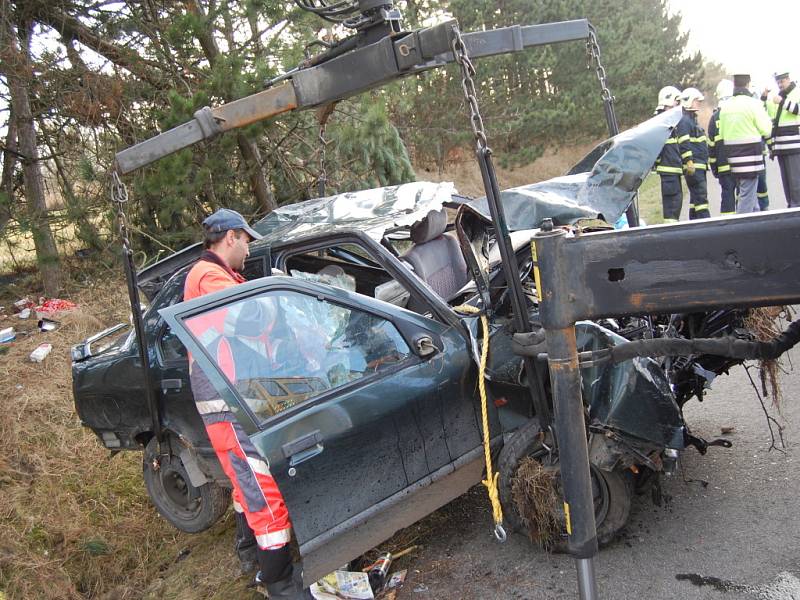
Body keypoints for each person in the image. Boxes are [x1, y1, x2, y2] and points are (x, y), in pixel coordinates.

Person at [183, 209, 309, 599]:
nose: (249, 249)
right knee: (261, 489)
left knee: (245, 482)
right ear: (232, 237)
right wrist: (278, 290)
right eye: (247, 240)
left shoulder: (218, 275)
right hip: (224, 401)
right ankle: (280, 582)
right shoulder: (207, 277)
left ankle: (250, 556)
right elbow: (249, 319)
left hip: (234, 396)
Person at [718, 74, 772, 213]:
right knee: (747, 199)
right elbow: (766, 130)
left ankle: (755, 225)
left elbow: (722, 134)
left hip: (733, 161)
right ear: (748, 84)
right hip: (751, 159)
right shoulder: (754, 104)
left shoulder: (726, 107)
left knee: (748, 196)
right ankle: (741, 230)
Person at [678, 87, 710, 219]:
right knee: (701, 199)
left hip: (699, 165)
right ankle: (706, 224)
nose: (699, 104)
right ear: (688, 101)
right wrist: (689, 161)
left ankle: (693, 222)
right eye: (697, 101)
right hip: (694, 166)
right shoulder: (685, 120)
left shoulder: (691, 120)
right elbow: (683, 142)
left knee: (695, 199)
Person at [769, 71, 800, 207]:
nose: (780, 85)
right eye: (778, 82)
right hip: (782, 147)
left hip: (794, 145)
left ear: (788, 79)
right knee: (787, 184)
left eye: (782, 81)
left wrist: (783, 102)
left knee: (796, 183)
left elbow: (797, 110)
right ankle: (791, 207)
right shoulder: (779, 96)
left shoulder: (796, 92)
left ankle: (796, 208)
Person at [653, 86, 684, 222]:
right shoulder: (662, 122)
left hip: (672, 171)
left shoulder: (667, 120)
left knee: (675, 205)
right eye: (676, 102)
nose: (678, 106)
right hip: (669, 172)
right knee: (672, 206)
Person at [708, 79, 736, 215]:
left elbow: (711, 148)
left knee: (727, 196)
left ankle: (728, 224)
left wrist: (714, 169)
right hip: (740, 164)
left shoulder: (714, 118)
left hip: (723, 167)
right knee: (743, 195)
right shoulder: (738, 114)